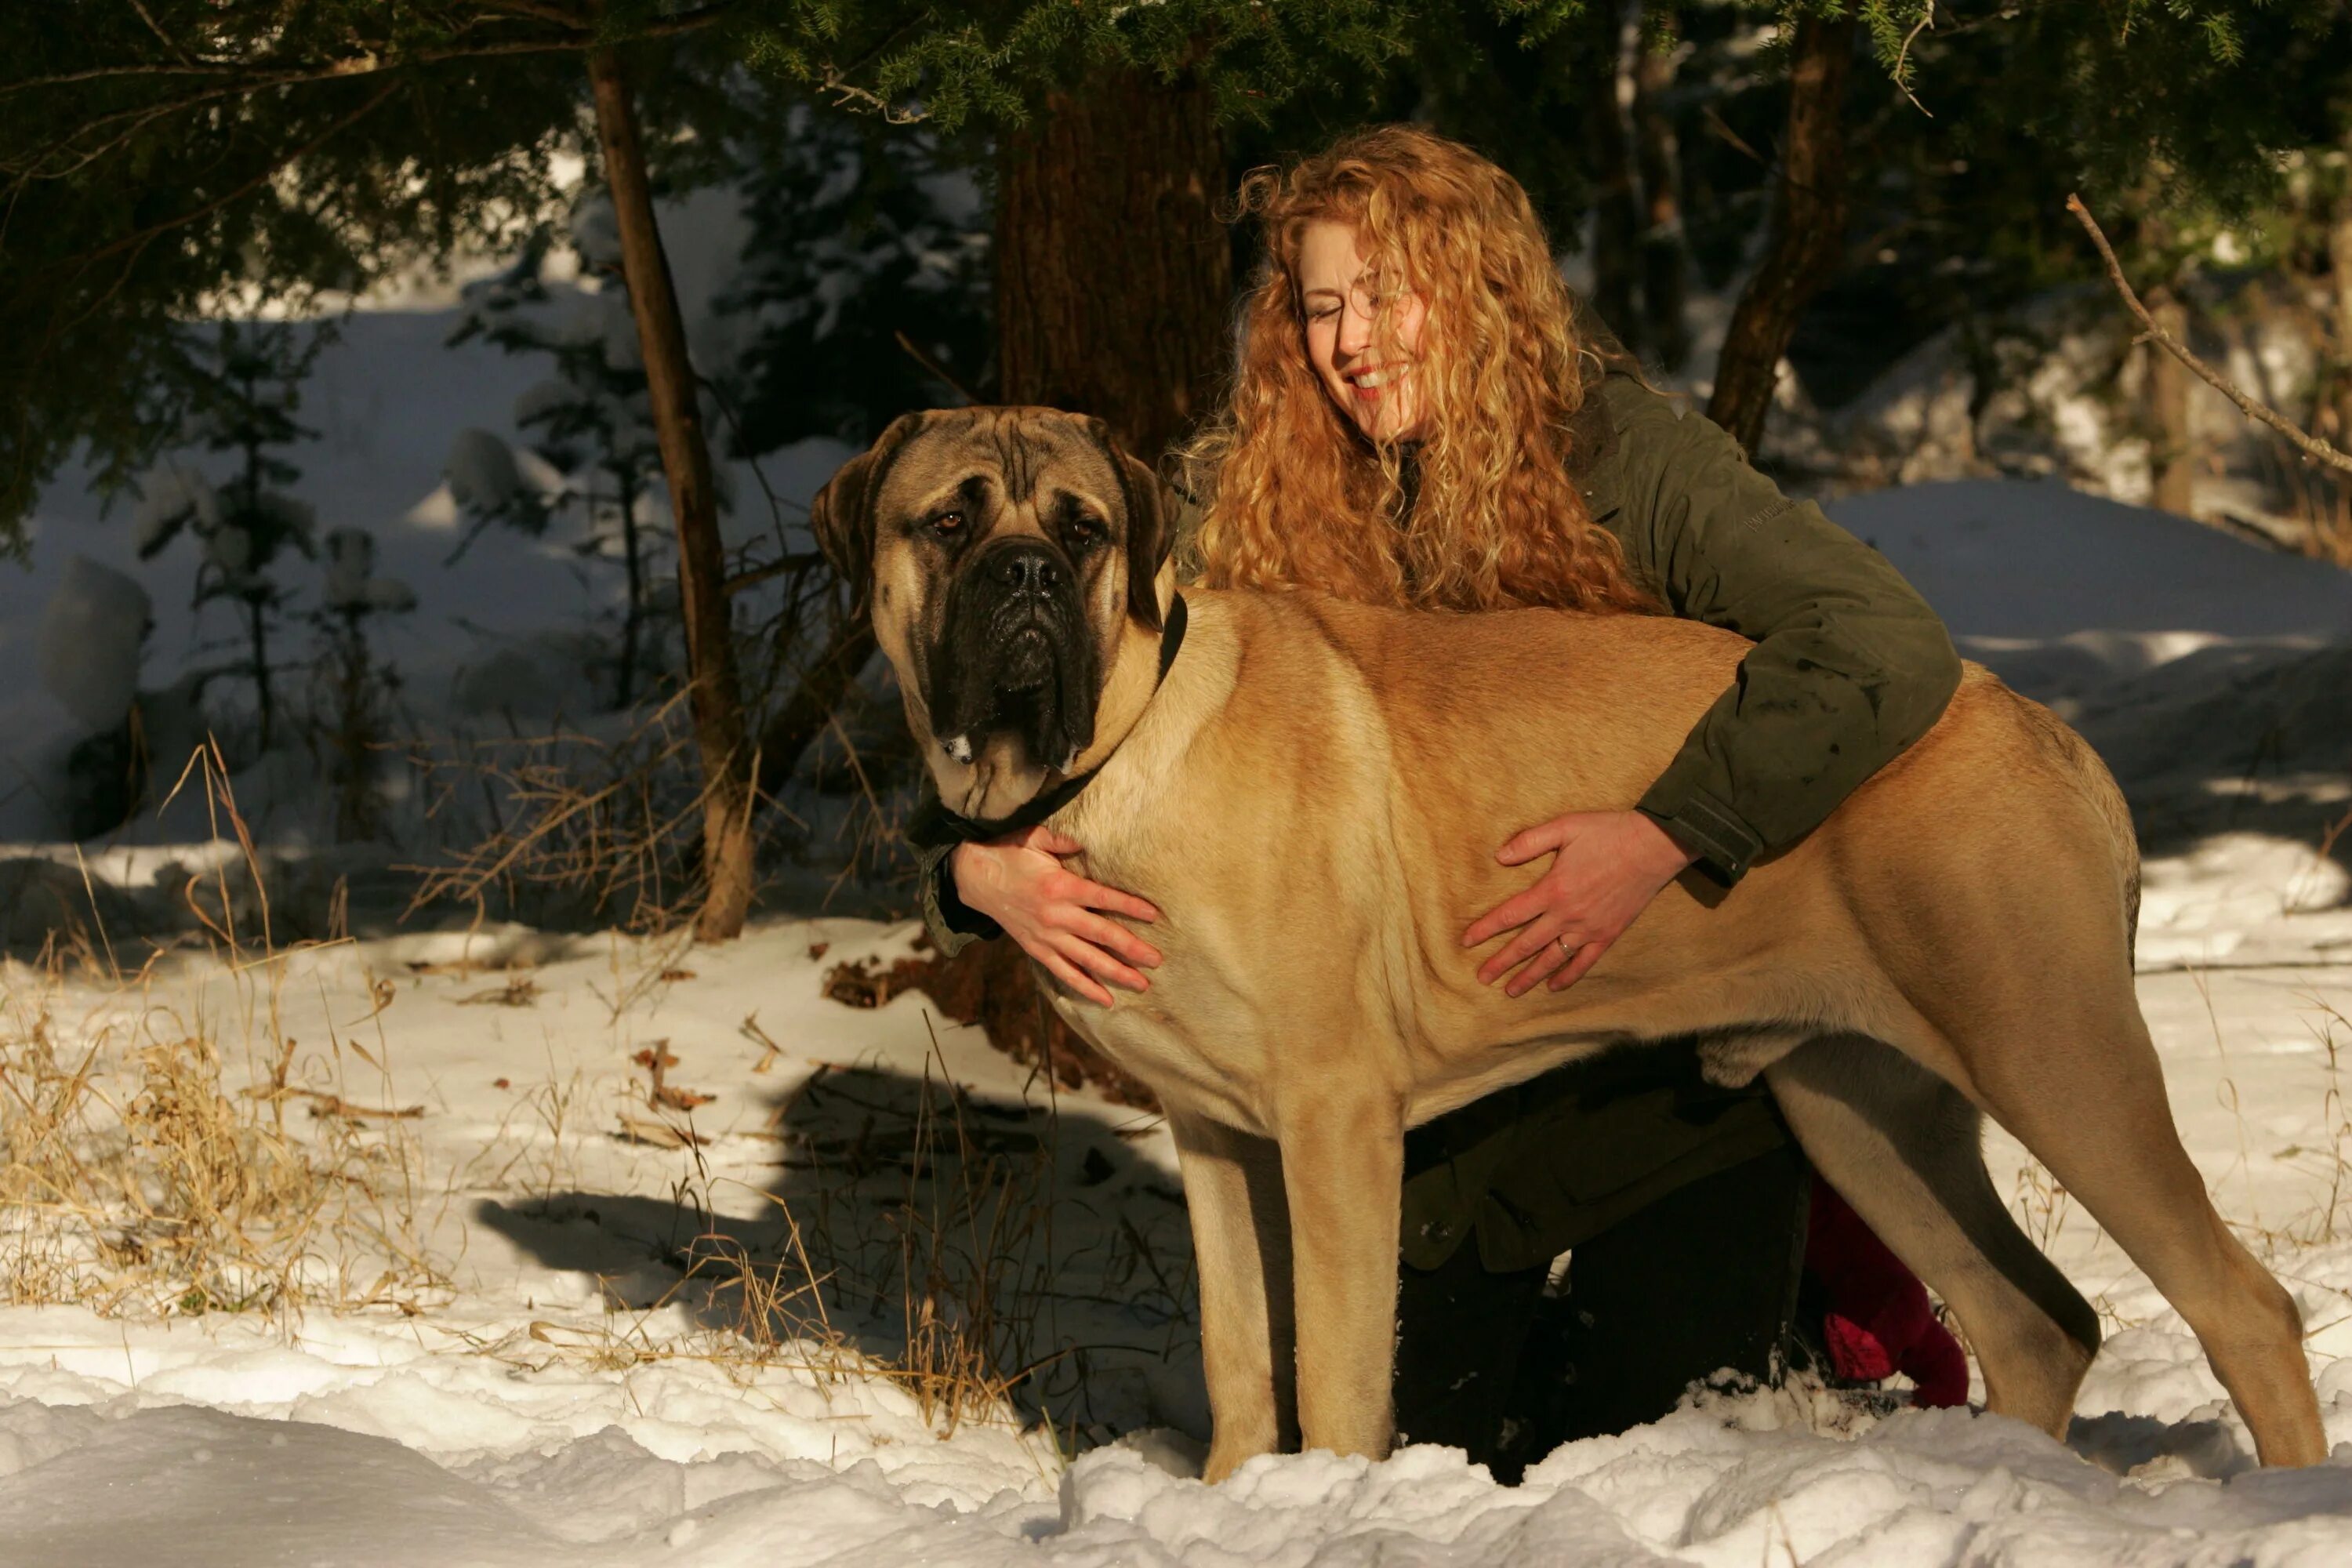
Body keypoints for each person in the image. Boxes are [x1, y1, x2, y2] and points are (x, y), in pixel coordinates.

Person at [913, 125, 1965, 1479]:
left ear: (1481, 289)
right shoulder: (1242, 489)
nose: (1355, 340)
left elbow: (1882, 642)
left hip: (1661, 1062)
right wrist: (973, 874)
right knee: (1463, 1460)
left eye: (1391, 292)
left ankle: (1807, 1309)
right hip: (1441, 1103)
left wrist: (1669, 829)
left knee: (1659, 1435)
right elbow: (1037, 681)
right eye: (1323, 304)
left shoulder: (1628, 458)